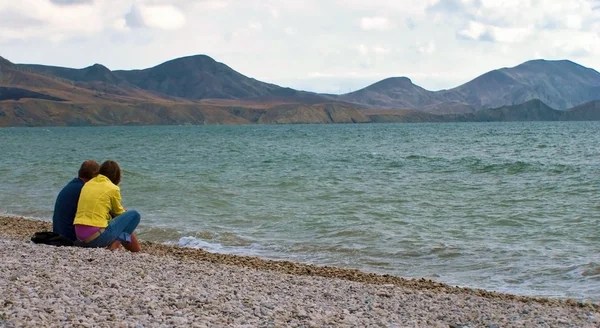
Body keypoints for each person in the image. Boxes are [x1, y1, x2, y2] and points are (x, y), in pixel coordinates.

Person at [73, 160, 142, 252]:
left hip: (80, 237)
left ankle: (116, 244)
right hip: (95, 238)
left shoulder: (88, 184)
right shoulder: (113, 188)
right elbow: (118, 213)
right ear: (116, 176)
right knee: (134, 215)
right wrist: (125, 212)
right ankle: (116, 245)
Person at [52, 160, 100, 242]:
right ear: (94, 176)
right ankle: (114, 249)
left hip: (58, 233)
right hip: (70, 238)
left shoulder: (72, 185)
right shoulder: (84, 190)